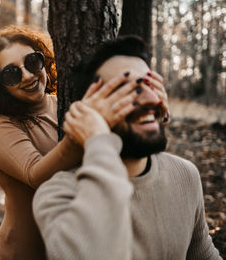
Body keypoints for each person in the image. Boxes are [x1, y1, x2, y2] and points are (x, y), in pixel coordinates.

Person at [32, 36, 221, 260]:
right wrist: (97, 138)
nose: (151, 98)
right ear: (89, 111)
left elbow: (204, 254)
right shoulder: (57, 196)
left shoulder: (185, 175)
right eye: (123, 89)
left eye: (149, 84)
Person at [0, 26, 149, 259]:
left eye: (32, 62)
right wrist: (86, 131)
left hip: (81, 245)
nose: (27, 75)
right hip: (26, 252)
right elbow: (36, 175)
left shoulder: (64, 103)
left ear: (43, 60)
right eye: (12, 74)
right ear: (0, 85)